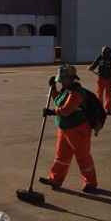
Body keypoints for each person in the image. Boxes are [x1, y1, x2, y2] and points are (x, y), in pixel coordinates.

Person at [39, 64, 98, 194]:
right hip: (64, 129)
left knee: (83, 157)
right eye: (60, 80)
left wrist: (52, 112)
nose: (60, 82)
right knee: (61, 157)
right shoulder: (65, 90)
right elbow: (58, 101)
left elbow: (66, 110)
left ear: (71, 78)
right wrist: (53, 88)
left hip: (78, 130)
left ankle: (91, 183)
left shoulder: (76, 92)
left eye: (62, 79)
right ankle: (55, 179)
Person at [88, 46, 111, 115]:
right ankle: (100, 109)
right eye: (103, 52)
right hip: (101, 79)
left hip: (109, 79)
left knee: (108, 95)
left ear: (109, 53)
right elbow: (94, 65)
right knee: (100, 94)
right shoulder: (100, 57)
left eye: (105, 52)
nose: (104, 54)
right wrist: (90, 67)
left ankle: (108, 109)